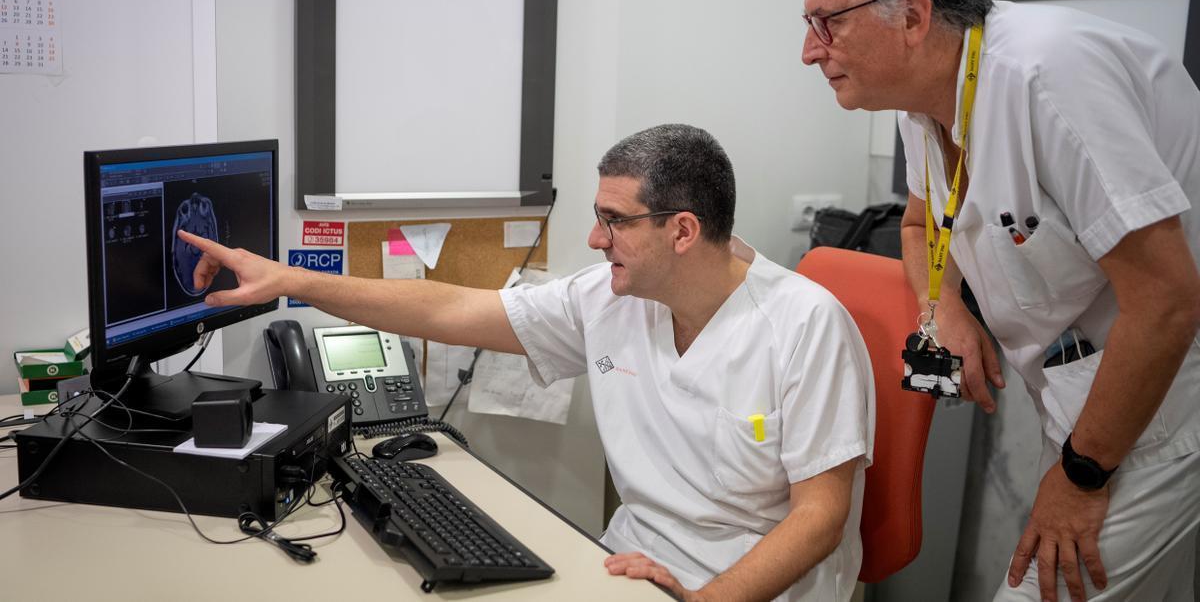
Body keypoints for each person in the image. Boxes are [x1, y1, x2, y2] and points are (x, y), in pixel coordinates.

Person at [180, 123, 875, 601]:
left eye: (614, 220)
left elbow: (820, 517)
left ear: (684, 230)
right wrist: (289, 280)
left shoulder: (806, 325)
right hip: (629, 568)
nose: (593, 237)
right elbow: (446, 308)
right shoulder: (612, 296)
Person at [801, 0, 1200, 601]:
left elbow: (1167, 301)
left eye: (827, 24)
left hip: (1165, 398)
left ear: (914, 15)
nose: (811, 50)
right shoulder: (924, 100)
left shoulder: (1049, 77)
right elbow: (920, 222)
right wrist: (942, 304)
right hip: (1081, 396)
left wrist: (1079, 476)